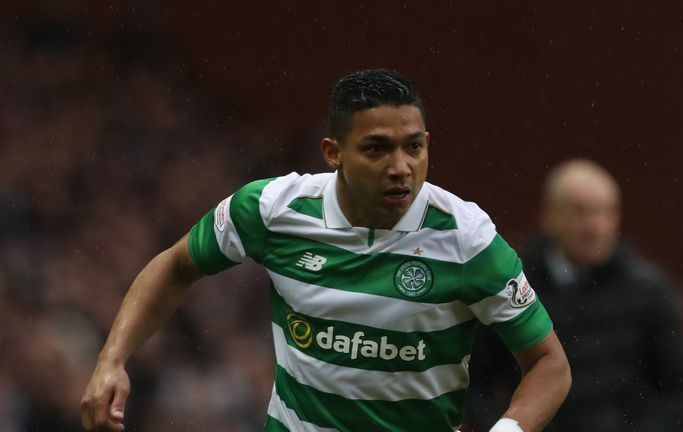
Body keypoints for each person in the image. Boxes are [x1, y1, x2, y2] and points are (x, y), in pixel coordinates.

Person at [80, 69, 571, 432]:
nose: (401, 166)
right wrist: (111, 360)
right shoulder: (274, 209)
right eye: (377, 148)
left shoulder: (467, 239)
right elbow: (175, 265)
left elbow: (549, 365)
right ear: (333, 153)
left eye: (414, 147)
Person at [467, 159, 683, 432]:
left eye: (607, 213)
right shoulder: (512, 284)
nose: (596, 227)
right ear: (549, 216)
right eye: (581, 212)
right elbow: (473, 384)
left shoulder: (648, 291)